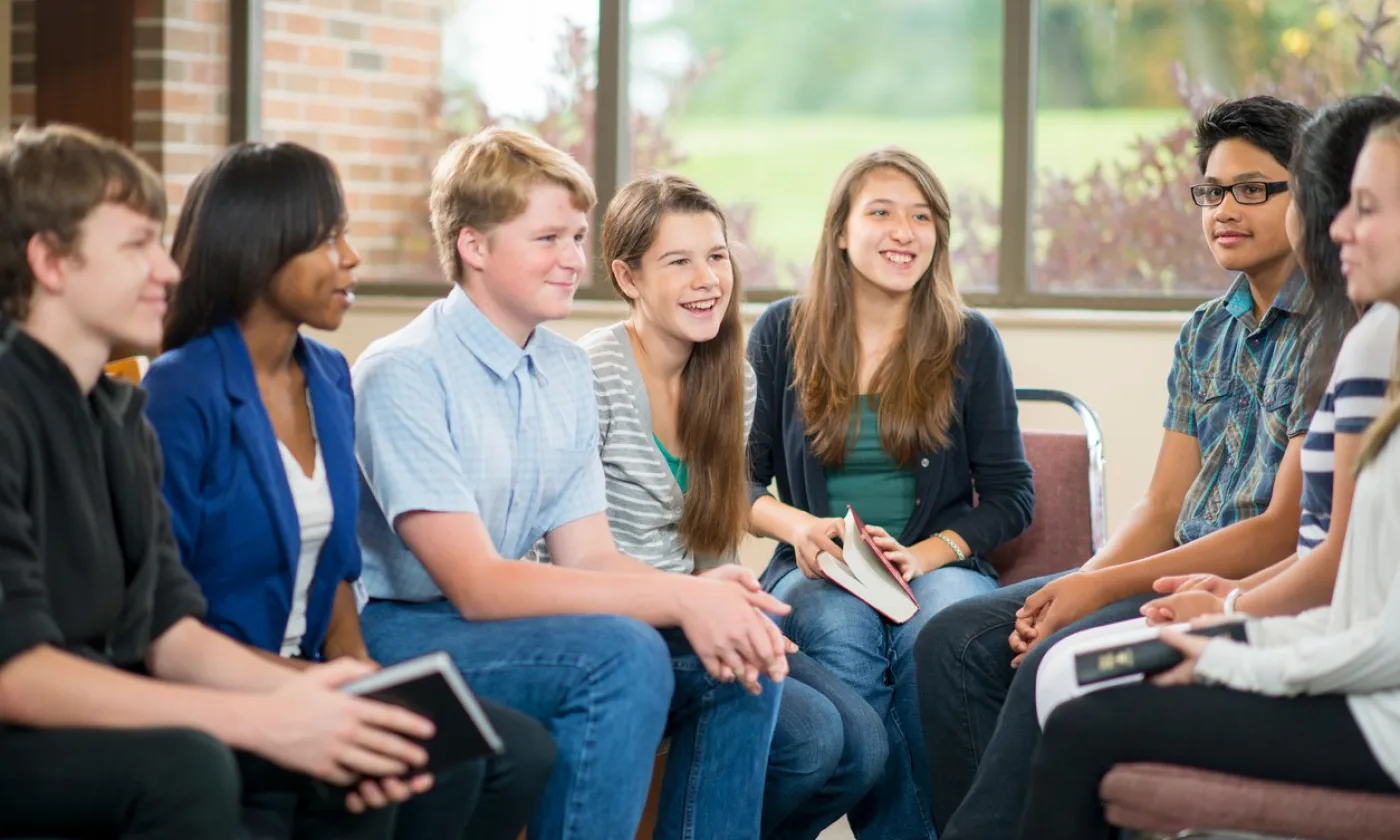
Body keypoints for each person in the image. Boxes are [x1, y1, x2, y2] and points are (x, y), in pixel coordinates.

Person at [0, 123, 435, 840]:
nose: (168, 270)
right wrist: (258, 718)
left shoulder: (118, 418)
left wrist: (329, 695)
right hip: (27, 734)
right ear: (50, 260)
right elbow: (14, 672)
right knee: (189, 766)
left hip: (96, 722)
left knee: (362, 747)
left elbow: (170, 632)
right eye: (137, 246)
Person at [352, 127, 787, 840]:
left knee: (748, 649)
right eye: (548, 239)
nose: (574, 260)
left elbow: (589, 556)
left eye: (578, 238)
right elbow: (478, 586)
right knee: (624, 655)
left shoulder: (560, 369)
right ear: (474, 246)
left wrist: (712, 597)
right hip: (405, 625)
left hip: (502, 622)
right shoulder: (403, 372)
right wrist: (682, 596)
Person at [914, 95, 1323, 840]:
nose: (1225, 210)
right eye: (1211, 192)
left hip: (1237, 582)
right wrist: (1080, 581)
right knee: (954, 640)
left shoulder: (1334, 331)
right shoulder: (1206, 331)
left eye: (1253, 189)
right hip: (1163, 564)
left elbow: (1278, 532)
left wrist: (1097, 589)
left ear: (1310, 196)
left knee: (1053, 657)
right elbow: (1162, 506)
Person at [141, 141, 554, 840]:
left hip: (313, 668)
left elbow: (335, 566)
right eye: (328, 239)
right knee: (429, 762)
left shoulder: (329, 375)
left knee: (520, 753)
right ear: (261, 248)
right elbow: (163, 605)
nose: (351, 258)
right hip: (225, 685)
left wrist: (360, 667)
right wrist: (324, 688)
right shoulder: (181, 390)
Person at [1021, 112, 1400, 840]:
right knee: (972, 642)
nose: (1339, 229)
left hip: (1367, 704)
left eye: (1365, 207)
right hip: (1292, 632)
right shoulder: (1230, 330)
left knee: (1075, 705)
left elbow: (1341, 587)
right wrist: (1099, 582)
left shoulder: (1359, 336)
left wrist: (1231, 634)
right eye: (1212, 191)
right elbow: (1167, 503)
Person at [560, 171, 886, 840]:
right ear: (627, 277)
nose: (707, 279)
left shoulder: (730, 374)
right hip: (618, 614)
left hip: (696, 605)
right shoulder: (591, 374)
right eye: (678, 262)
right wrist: (702, 605)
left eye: (716, 256)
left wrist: (740, 604)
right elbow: (565, 552)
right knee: (813, 737)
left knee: (863, 744)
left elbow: (712, 529)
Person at [746, 146, 1034, 838]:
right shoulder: (782, 331)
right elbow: (736, 482)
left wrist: (922, 556)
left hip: (935, 563)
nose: (904, 232)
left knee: (937, 633)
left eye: (922, 216)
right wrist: (800, 529)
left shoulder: (970, 339)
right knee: (839, 631)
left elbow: (1011, 495)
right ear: (841, 232)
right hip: (818, 566)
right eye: (881, 213)